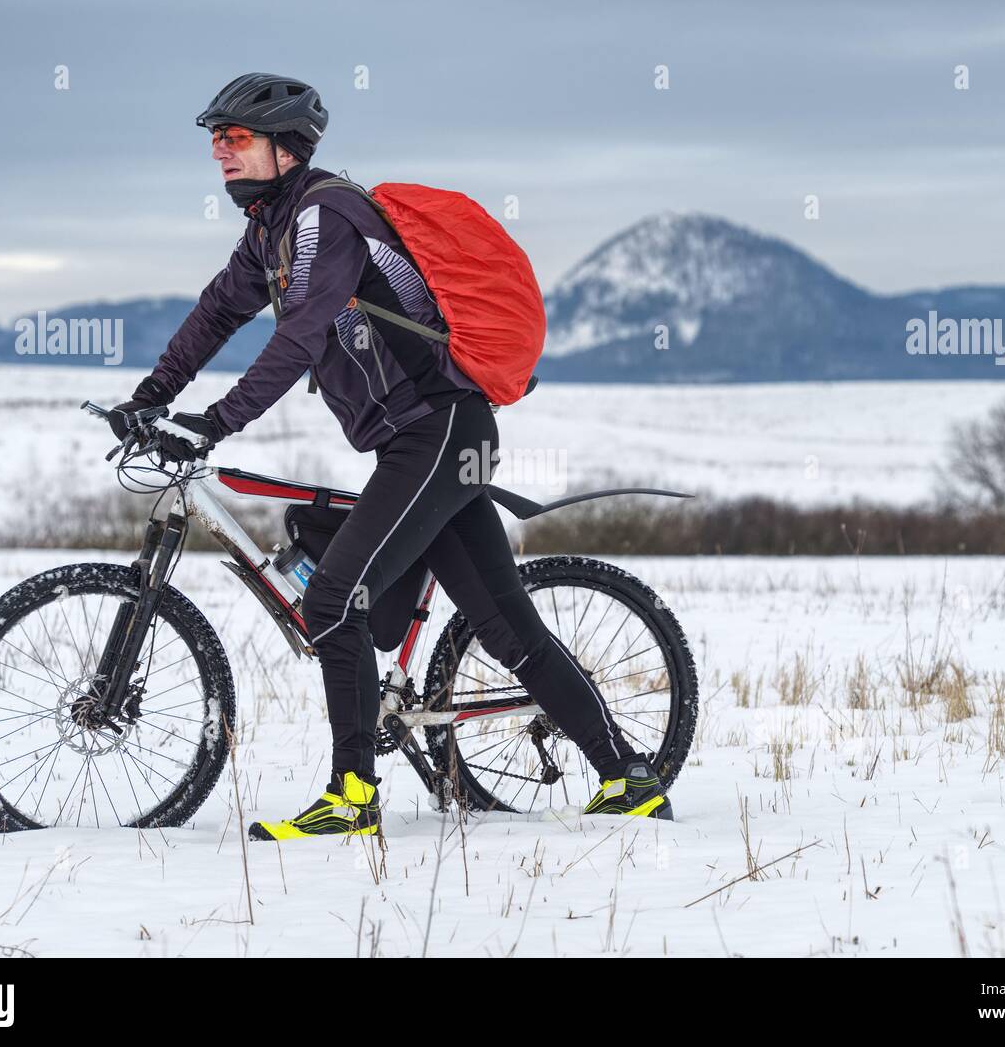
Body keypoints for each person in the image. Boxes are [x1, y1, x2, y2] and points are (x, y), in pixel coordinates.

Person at [109, 72, 671, 840]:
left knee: (331, 601)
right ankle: (630, 780)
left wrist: (213, 423)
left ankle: (352, 799)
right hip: (431, 442)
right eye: (216, 140)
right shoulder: (271, 230)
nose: (220, 152)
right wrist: (150, 397)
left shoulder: (324, 214)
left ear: (285, 147)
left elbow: (300, 334)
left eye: (235, 137)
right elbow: (215, 314)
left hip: (436, 435)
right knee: (506, 629)